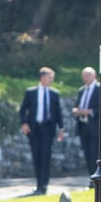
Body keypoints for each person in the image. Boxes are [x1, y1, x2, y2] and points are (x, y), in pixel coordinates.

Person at [18, 67, 64, 195]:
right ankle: (38, 183)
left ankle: (44, 184)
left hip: (47, 128)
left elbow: (58, 113)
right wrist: (24, 123)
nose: (51, 80)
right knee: (36, 156)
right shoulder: (31, 92)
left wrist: (61, 128)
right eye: (50, 77)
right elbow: (23, 110)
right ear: (42, 78)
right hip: (34, 128)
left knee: (46, 156)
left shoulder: (54, 94)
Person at [72, 67, 100, 174]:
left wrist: (89, 112)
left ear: (94, 76)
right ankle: (91, 176)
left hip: (95, 127)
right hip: (83, 126)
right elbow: (78, 105)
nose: (85, 78)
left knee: (94, 153)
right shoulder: (82, 90)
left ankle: (96, 177)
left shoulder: (99, 89)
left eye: (87, 76)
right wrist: (76, 111)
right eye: (83, 76)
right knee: (87, 154)